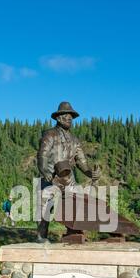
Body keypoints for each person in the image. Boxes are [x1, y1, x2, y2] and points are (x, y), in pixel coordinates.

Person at [37, 101, 100, 242]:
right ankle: (41, 237)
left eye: (71, 117)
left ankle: (74, 234)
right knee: (44, 208)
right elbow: (42, 155)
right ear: (59, 118)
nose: (70, 119)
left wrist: (91, 173)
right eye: (67, 116)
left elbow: (81, 162)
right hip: (51, 177)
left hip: (68, 178)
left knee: (76, 204)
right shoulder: (50, 135)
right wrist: (44, 171)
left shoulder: (75, 140)